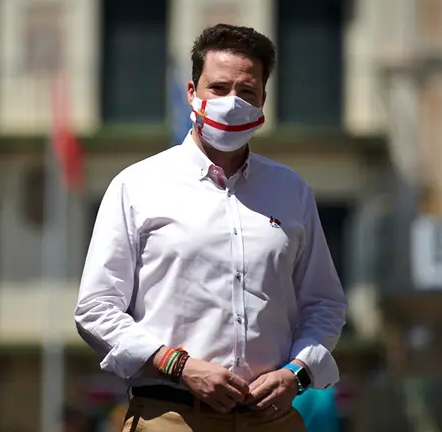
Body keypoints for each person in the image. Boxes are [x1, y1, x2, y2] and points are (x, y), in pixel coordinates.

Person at [74, 23, 347, 432]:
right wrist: (178, 366)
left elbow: (325, 304)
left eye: (246, 91)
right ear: (191, 92)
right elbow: (95, 309)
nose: (232, 102)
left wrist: (298, 372)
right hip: (171, 417)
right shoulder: (137, 185)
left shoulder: (292, 191)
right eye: (218, 88)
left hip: (270, 421)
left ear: (263, 101)